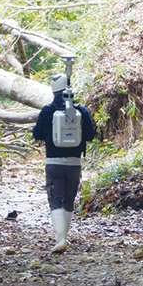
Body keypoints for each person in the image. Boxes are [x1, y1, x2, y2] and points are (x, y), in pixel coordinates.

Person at [32, 74, 96, 253]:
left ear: (54, 91)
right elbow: (90, 136)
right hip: (74, 163)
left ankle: (61, 239)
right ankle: (63, 238)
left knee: (55, 201)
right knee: (68, 201)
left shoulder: (47, 110)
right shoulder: (81, 110)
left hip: (53, 163)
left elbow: (36, 134)